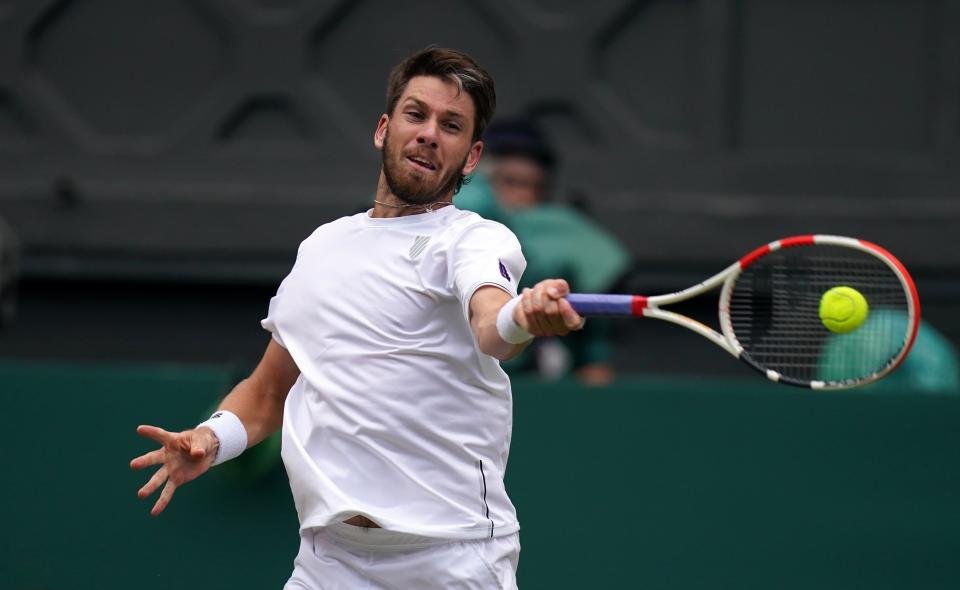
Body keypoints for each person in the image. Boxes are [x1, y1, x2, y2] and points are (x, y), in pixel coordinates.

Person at [130, 47, 584, 589]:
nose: (429, 133)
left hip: (453, 561)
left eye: (452, 125)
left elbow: (492, 327)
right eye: (417, 115)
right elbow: (269, 392)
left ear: (470, 157)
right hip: (330, 563)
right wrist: (210, 438)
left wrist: (522, 319)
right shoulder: (323, 247)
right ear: (384, 128)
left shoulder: (474, 239)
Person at [461, 117, 631, 385]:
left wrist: (595, 359)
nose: (524, 196)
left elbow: (595, 360)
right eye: (511, 182)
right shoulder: (463, 212)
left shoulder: (561, 229)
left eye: (535, 186)